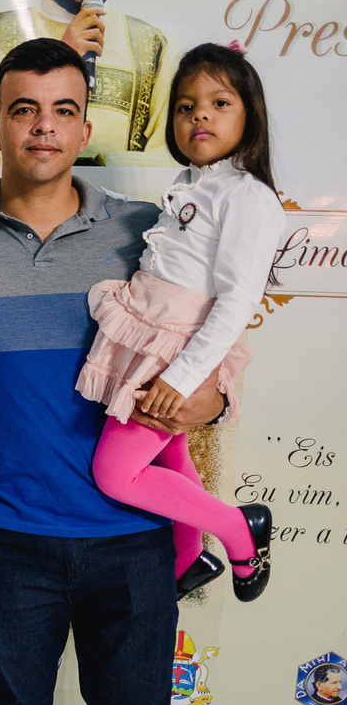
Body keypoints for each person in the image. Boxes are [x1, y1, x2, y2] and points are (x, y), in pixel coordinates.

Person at [0, 38, 226, 705]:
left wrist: (208, 399)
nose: (43, 127)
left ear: (84, 131)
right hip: (6, 538)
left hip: (136, 539)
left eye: (63, 111)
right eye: (24, 110)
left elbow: (212, 340)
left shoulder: (149, 231)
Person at [76, 42, 285, 602]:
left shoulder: (248, 195)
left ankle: (240, 530)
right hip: (149, 326)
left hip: (176, 348)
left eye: (220, 103)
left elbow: (238, 300)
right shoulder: (195, 184)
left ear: (249, 115)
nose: (201, 116)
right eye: (188, 105)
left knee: (116, 474)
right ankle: (189, 558)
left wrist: (183, 377)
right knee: (171, 452)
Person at [0, 0, 178, 171]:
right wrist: (63, 57)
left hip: (111, 213)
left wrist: (104, 168)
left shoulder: (150, 45)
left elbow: (167, 154)